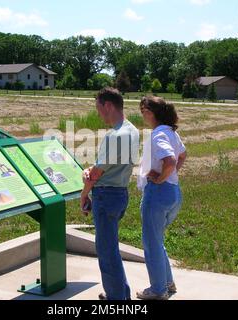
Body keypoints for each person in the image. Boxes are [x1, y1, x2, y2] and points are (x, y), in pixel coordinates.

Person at [80, 87, 139, 300]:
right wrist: (94, 170)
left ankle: (116, 300)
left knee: (106, 251)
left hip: (106, 196)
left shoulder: (115, 135)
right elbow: (106, 166)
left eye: (99, 108)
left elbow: (95, 175)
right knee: (111, 247)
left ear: (108, 105)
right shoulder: (132, 130)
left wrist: (83, 194)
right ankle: (120, 293)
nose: (98, 114)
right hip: (120, 192)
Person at [136, 96, 187, 300]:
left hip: (158, 194)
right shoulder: (171, 132)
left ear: (150, 112)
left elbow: (171, 159)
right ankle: (167, 283)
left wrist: (159, 178)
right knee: (157, 240)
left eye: (143, 110)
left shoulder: (158, 135)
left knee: (151, 243)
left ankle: (158, 290)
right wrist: (171, 175)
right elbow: (182, 156)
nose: (142, 114)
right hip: (173, 192)